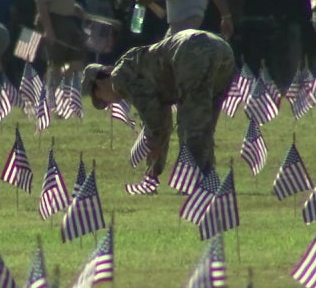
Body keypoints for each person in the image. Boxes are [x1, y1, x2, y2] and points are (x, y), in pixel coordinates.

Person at [81, 29, 235, 179]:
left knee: (191, 127)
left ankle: (196, 181)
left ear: (99, 84)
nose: (107, 103)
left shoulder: (120, 78)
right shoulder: (132, 63)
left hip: (192, 51)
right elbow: (161, 120)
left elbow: (157, 120)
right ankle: (207, 179)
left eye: (100, 98)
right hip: (221, 48)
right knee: (205, 126)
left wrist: (153, 169)